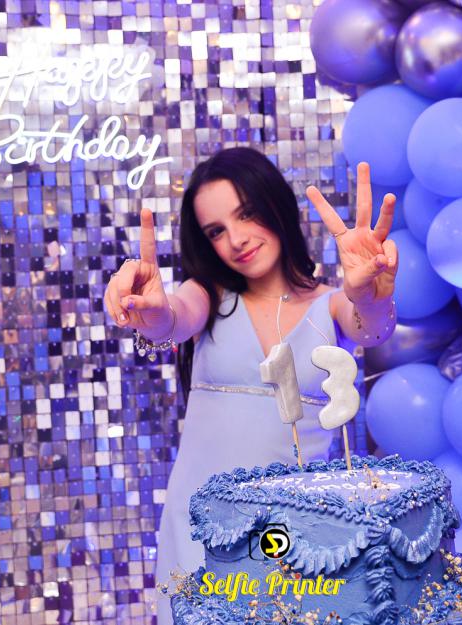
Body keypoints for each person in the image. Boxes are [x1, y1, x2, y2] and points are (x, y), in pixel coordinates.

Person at [102, 147, 399, 623]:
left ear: (275, 204)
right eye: (216, 231)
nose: (236, 239)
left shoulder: (331, 305)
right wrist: (152, 314)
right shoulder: (208, 296)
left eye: (246, 214)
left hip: (293, 533)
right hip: (201, 524)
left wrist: (369, 296)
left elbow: (370, 328)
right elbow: (173, 318)